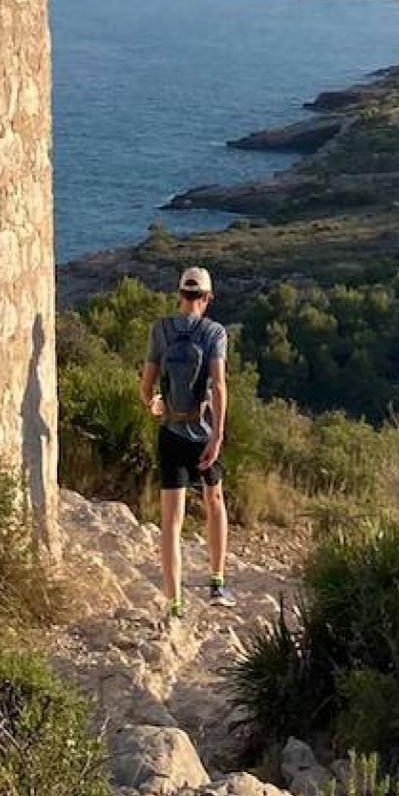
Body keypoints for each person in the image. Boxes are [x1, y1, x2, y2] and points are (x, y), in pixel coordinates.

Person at [140, 266, 236, 620]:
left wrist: (154, 404)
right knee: (215, 501)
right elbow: (220, 385)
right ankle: (216, 583)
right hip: (203, 431)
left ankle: (175, 602)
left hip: (170, 433)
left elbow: (146, 387)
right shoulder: (214, 332)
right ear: (207, 298)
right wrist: (217, 434)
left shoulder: (160, 330)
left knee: (171, 522)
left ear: (179, 295)